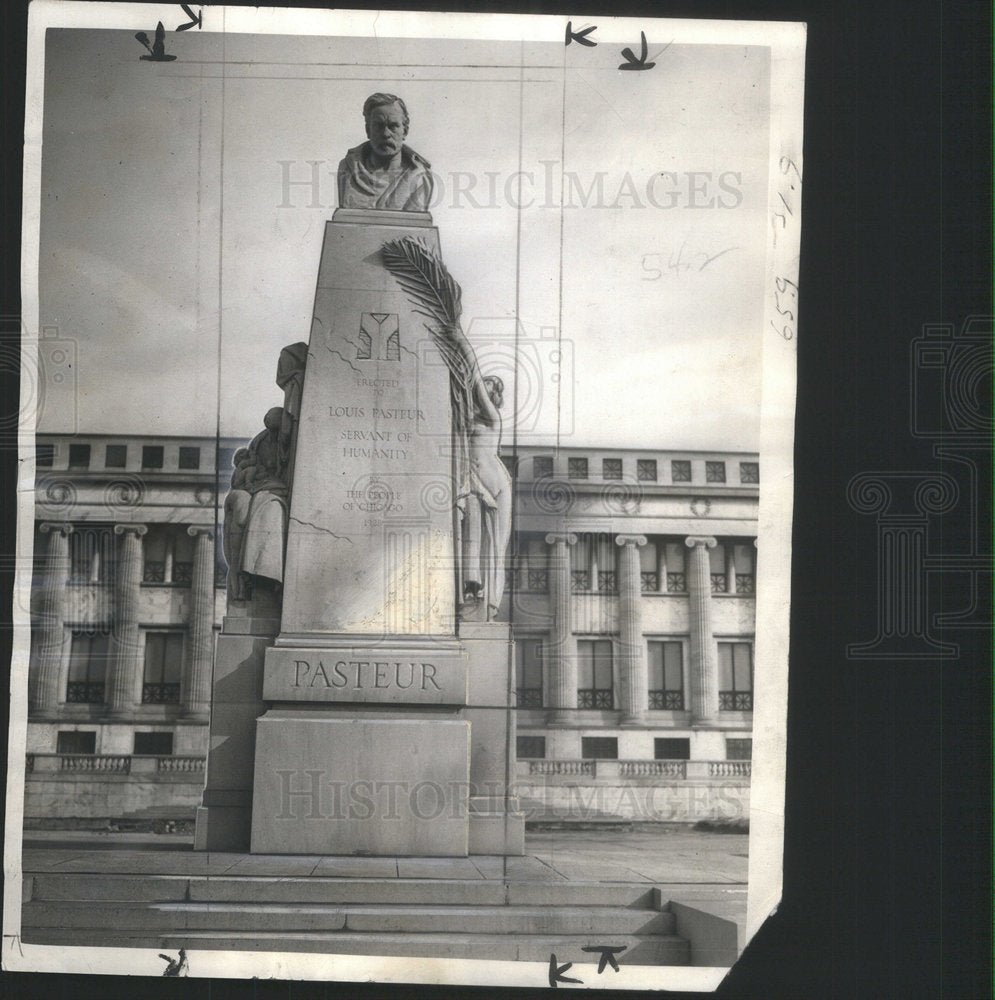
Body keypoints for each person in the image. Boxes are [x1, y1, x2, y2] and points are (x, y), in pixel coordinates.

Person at [222, 408, 289, 601]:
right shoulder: (259, 441)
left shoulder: (287, 437)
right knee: (246, 505)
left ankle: (261, 570)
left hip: (269, 488)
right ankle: (245, 575)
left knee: (267, 504)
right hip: (258, 486)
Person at [337, 93, 434, 212]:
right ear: (368, 130)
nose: (385, 134)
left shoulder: (419, 178)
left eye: (393, 126)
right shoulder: (348, 169)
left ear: (405, 131)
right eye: (378, 126)